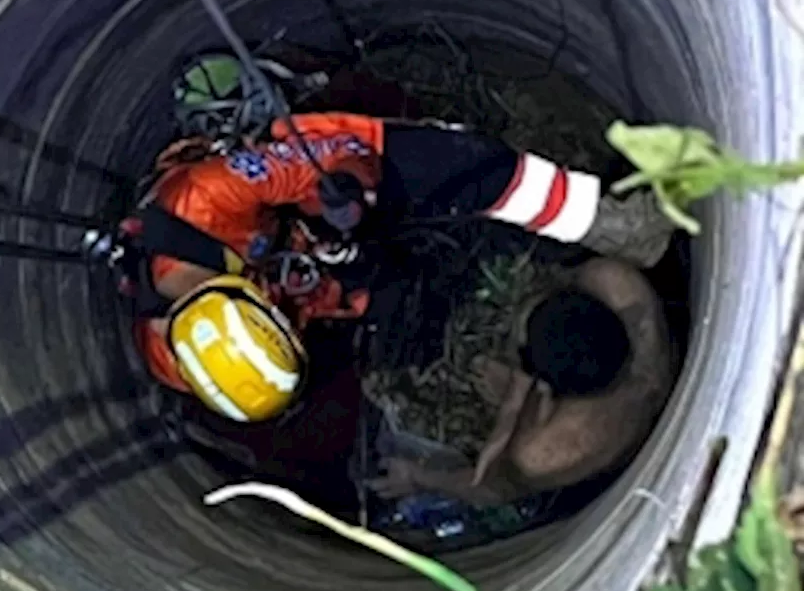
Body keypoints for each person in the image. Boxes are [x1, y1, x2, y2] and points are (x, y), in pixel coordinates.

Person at [123, 110, 671, 424]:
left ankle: (605, 222)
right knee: (389, 299)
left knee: (452, 166)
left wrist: (343, 194)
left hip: (291, 204)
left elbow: (331, 152)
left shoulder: (206, 199)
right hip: (302, 263)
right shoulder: (211, 368)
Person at [370, 257, 675, 506]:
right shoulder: (619, 287)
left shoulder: (549, 449)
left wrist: (418, 478)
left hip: (620, 447)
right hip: (634, 389)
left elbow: (491, 488)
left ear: (545, 388)